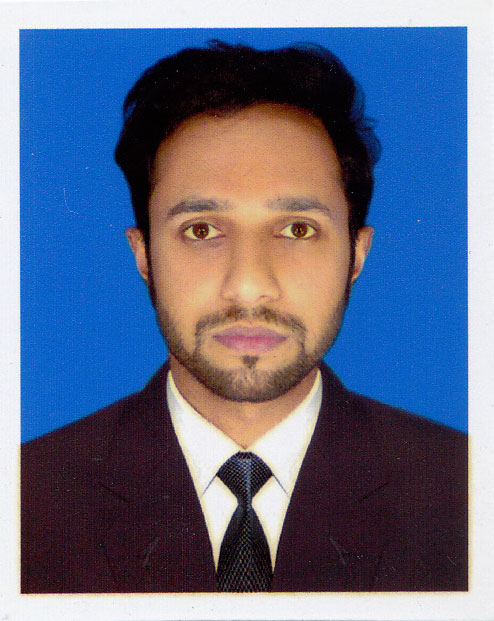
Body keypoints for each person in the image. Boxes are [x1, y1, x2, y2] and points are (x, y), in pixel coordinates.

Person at [21, 41, 467, 593]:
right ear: (144, 257)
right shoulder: (26, 500)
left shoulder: (467, 493)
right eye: (201, 230)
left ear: (356, 255)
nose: (250, 285)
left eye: (298, 229)